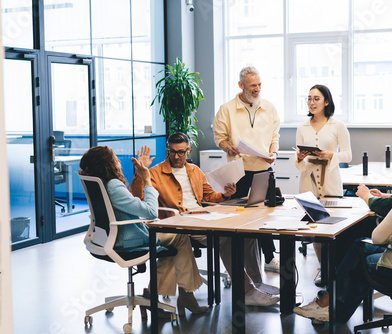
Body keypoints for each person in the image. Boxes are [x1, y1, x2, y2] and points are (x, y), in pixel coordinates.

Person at [293, 144, 392, 324]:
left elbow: (378, 238)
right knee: (360, 250)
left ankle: (330, 306)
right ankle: (333, 308)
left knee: (358, 250)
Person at [130, 132, 280, 306]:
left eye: (181, 152)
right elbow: (139, 197)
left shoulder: (195, 170)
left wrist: (225, 195)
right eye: (172, 152)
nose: (177, 156)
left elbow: (209, 196)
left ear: (188, 150)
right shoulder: (155, 173)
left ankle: (256, 284)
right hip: (179, 223)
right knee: (227, 238)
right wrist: (140, 174)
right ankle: (246, 290)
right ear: (168, 150)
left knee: (247, 234)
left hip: (202, 218)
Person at [78, 146, 208, 316]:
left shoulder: (97, 183)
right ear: (108, 164)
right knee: (180, 236)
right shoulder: (114, 186)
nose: (117, 161)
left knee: (171, 248)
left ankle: (152, 296)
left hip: (105, 238)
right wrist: (147, 180)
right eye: (115, 158)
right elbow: (151, 211)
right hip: (126, 240)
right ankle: (184, 294)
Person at [213, 66, 281, 273]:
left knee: (265, 215)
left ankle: (269, 258)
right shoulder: (227, 109)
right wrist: (228, 146)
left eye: (259, 85)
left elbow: (274, 137)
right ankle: (233, 264)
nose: (257, 89)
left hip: (263, 168)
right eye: (253, 85)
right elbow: (220, 138)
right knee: (236, 216)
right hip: (239, 169)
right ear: (241, 85)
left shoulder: (269, 108)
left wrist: (273, 153)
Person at [295, 84, 352, 285]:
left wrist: (331, 155)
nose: (312, 102)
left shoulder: (338, 126)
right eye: (309, 98)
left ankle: (336, 268)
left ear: (326, 101)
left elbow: (347, 154)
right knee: (316, 230)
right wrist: (300, 156)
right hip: (308, 184)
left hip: (331, 182)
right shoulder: (302, 127)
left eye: (316, 98)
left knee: (332, 228)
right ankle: (323, 268)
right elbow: (299, 162)